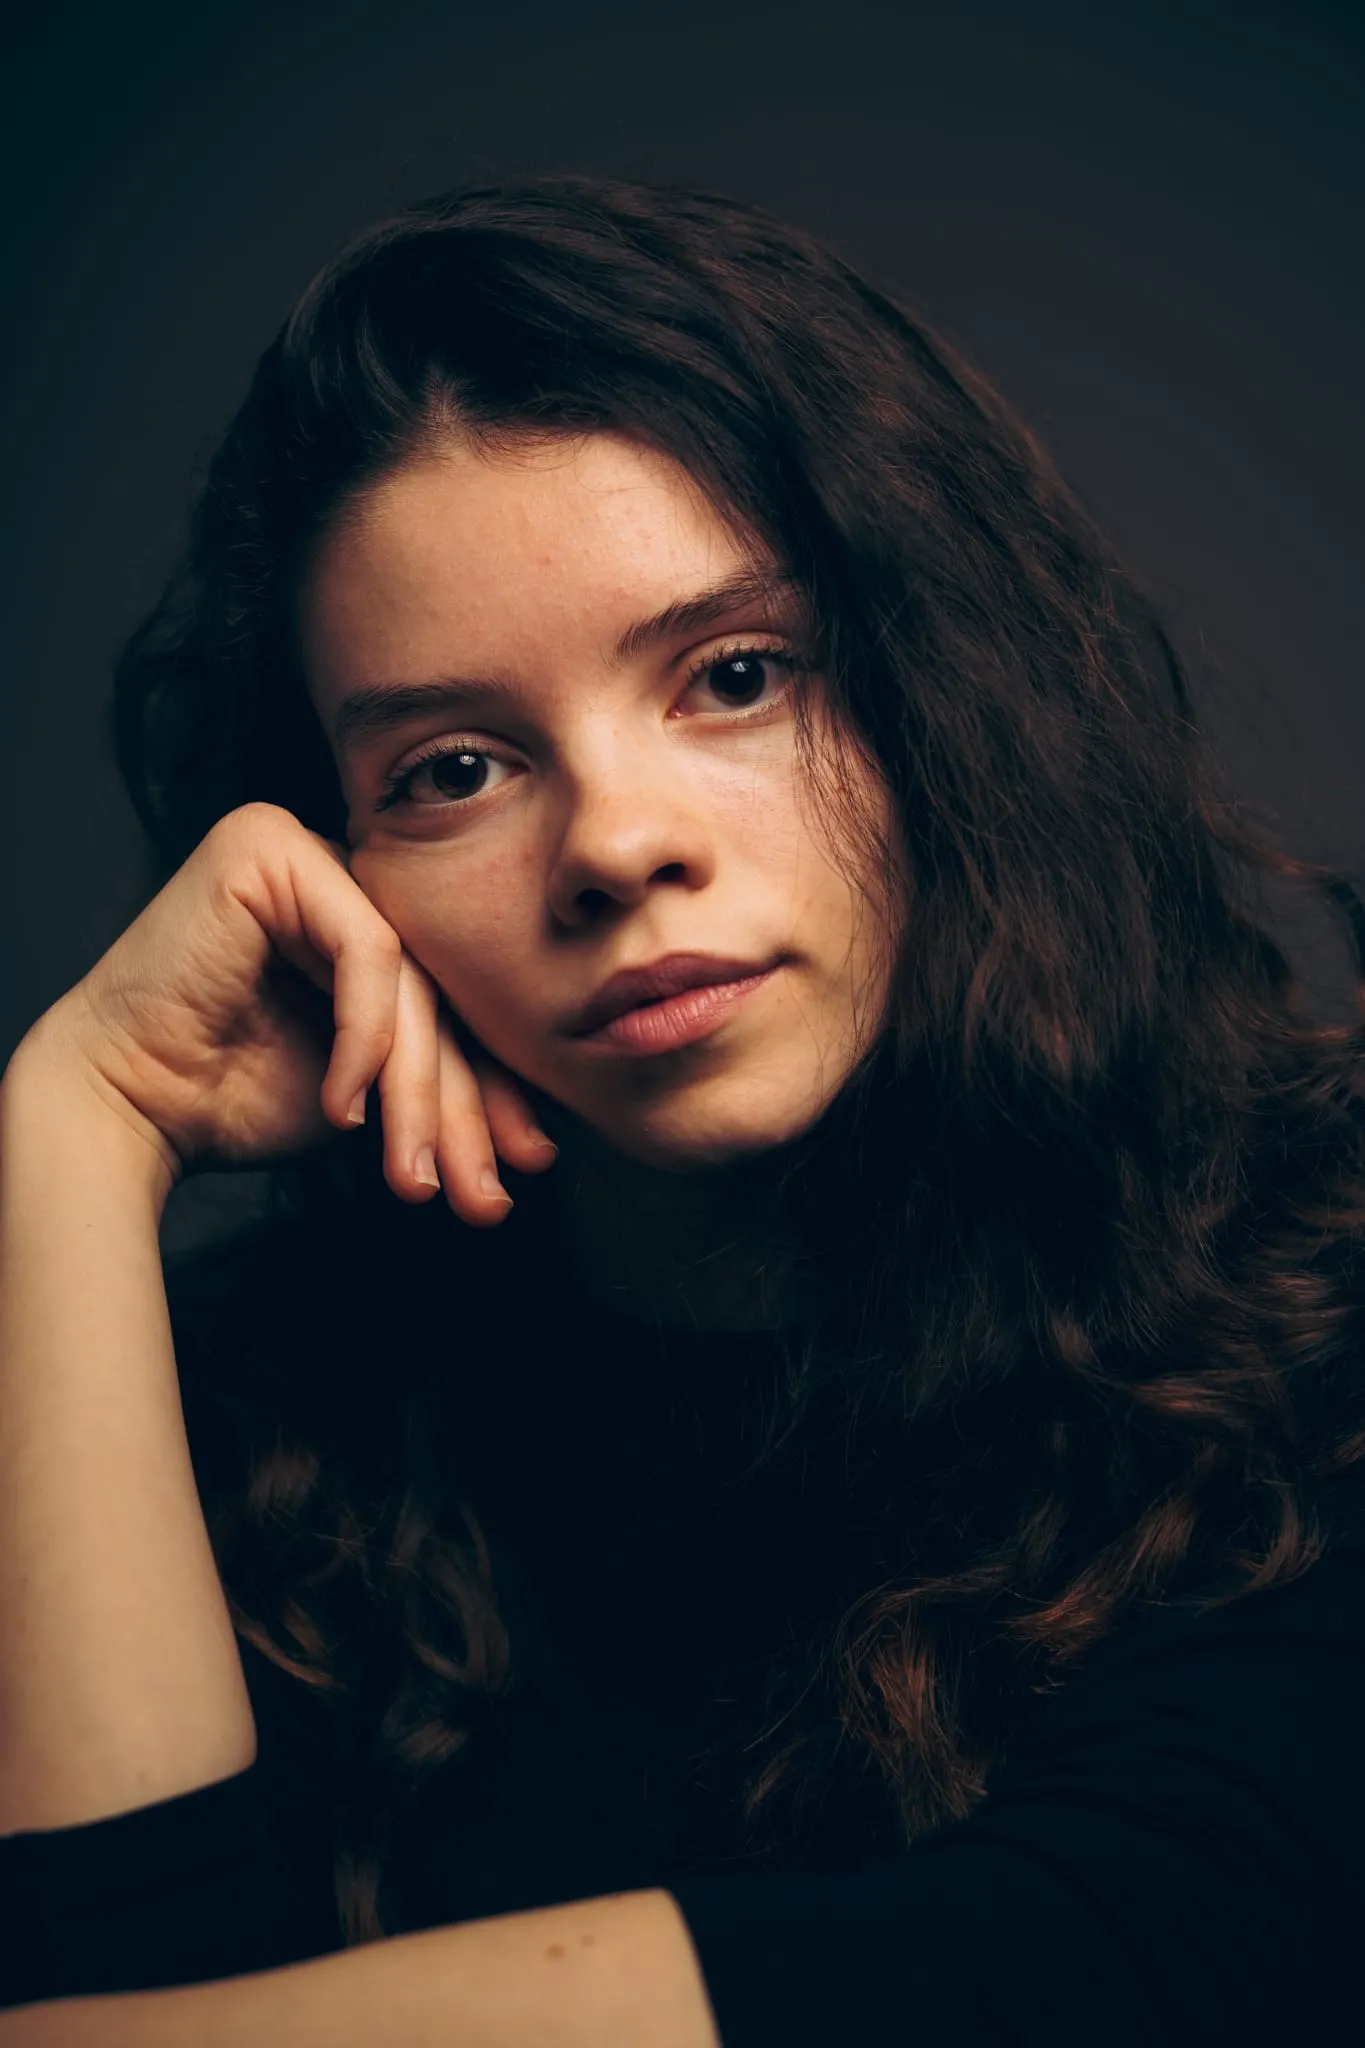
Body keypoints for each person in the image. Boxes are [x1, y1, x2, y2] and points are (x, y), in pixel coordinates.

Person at [1, 172, 1364, 2047]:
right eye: (454, 769)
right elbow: (111, 1998)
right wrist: (76, 1130)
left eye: (734, 676)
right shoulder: (275, 1426)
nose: (617, 846)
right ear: (335, 867)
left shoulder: (1323, 1307)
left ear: (944, 687)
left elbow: (1109, 1964)